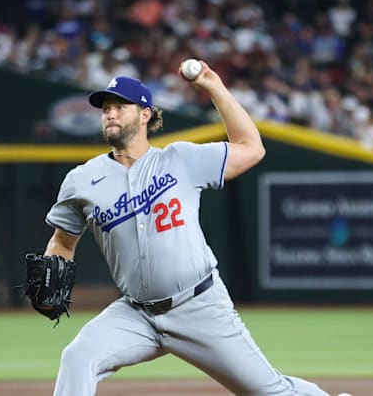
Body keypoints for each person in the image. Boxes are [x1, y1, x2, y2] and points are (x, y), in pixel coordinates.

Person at [41, 61, 339, 396]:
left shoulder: (180, 159)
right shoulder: (81, 180)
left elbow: (251, 148)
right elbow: (62, 241)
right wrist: (55, 264)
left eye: (119, 107)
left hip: (198, 305)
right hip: (135, 313)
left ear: (145, 115)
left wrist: (214, 87)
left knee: (269, 392)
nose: (110, 114)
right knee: (78, 356)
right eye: (105, 108)